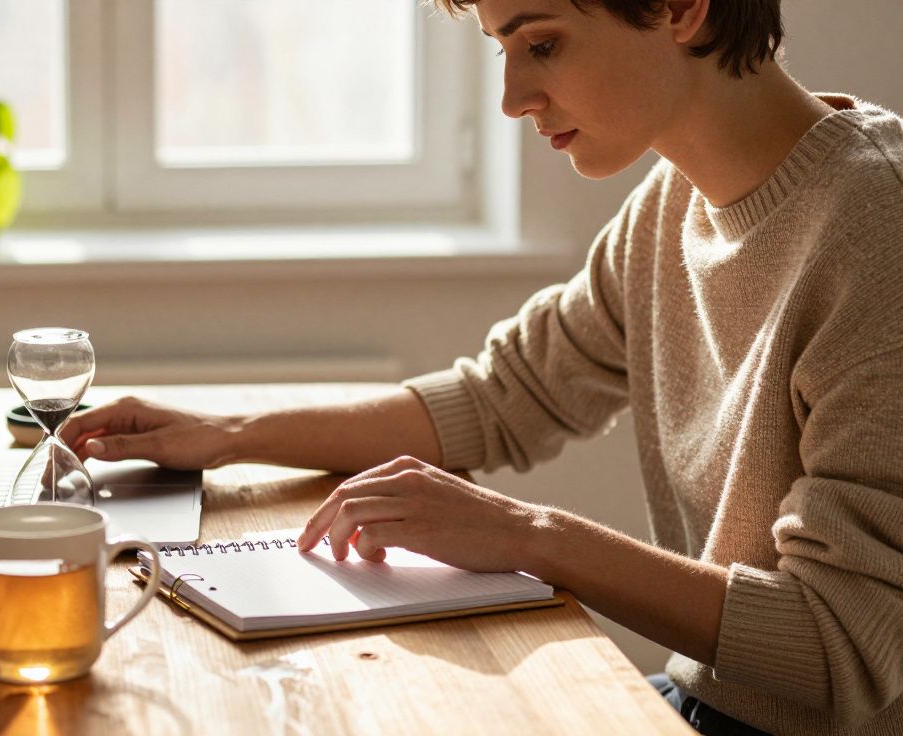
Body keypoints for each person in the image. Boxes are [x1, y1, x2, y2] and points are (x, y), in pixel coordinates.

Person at [60, 0, 903, 733]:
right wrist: (231, 434)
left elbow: (843, 647)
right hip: (705, 708)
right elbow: (502, 397)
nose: (512, 99)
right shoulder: (670, 208)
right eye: (504, 52)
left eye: (542, 46)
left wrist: (526, 535)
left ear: (683, 7)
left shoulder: (876, 234)